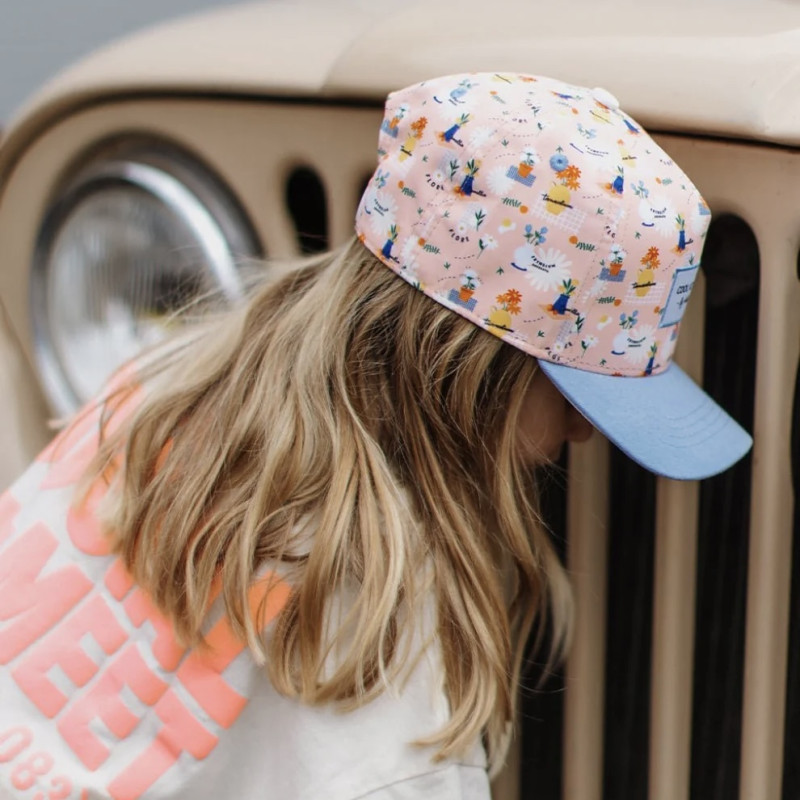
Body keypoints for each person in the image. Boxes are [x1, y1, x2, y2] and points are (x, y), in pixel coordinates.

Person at [0, 73, 751, 799]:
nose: (585, 432)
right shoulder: (386, 690)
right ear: (472, 374)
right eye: (575, 391)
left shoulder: (155, 391)